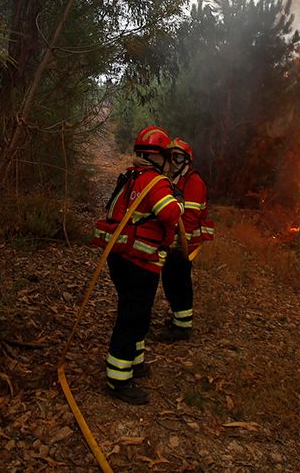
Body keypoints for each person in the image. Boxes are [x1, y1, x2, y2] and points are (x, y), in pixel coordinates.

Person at [91, 125, 183, 404]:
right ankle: (118, 380)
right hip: (139, 261)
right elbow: (169, 213)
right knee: (132, 317)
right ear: (158, 156)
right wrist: (179, 202)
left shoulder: (133, 176)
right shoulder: (155, 182)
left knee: (136, 312)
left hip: (122, 258)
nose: (170, 162)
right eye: (168, 156)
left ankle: (135, 361)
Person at [157, 137, 214, 341]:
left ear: (187, 160)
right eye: (171, 156)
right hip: (174, 243)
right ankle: (177, 317)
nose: (173, 161)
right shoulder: (175, 179)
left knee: (179, 281)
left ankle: (182, 327)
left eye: (178, 156)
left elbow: (188, 219)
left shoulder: (193, 182)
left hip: (184, 243)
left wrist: (179, 245)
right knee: (170, 280)